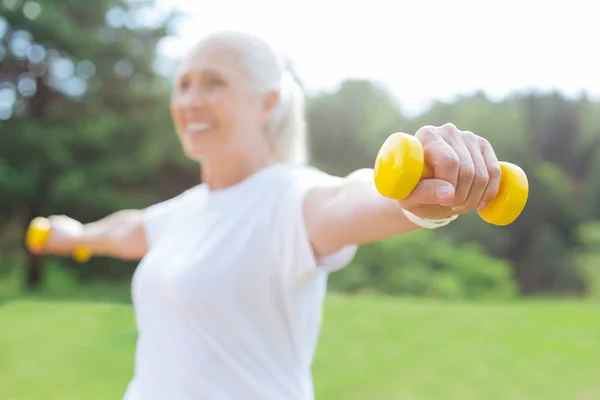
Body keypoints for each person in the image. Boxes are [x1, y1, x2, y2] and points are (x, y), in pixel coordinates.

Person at [30, 30, 502, 400]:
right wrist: (69, 235)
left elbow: (347, 198)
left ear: (269, 102)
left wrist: (416, 194)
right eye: (183, 84)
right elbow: (124, 230)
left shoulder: (290, 199)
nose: (191, 100)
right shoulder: (183, 213)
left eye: (215, 82)